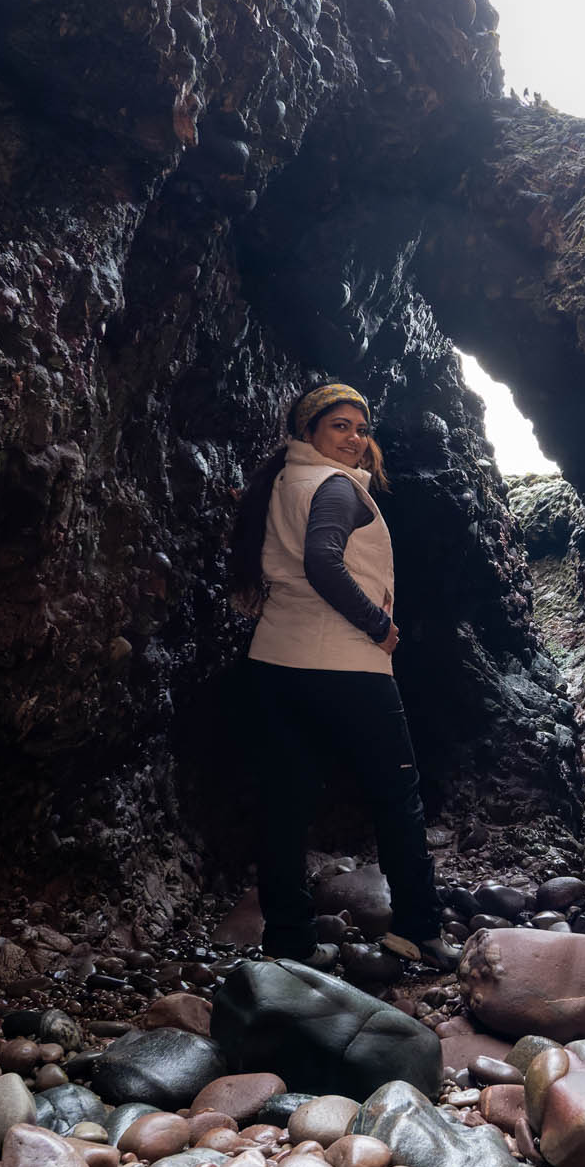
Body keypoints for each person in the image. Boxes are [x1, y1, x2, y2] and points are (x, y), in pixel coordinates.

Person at [227, 380, 447, 967]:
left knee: (285, 802)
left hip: (276, 661)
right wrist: (378, 626)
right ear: (309, 430)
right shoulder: (336, 486)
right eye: (339, 426)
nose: (354, 439)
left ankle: (289, 939)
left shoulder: (282, 481)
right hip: (346, 663)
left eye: (361, 429)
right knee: (397, 797)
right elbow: (322, 562)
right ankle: (419, 929)